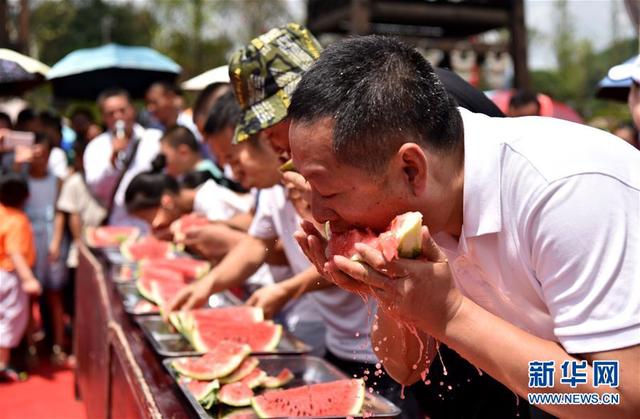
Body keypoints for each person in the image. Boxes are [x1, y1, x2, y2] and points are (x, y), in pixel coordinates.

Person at [288, 35, 640, 418]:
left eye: (328, 190)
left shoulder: (565, 192)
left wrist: (451, 315)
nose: (318, 213)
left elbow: (619, 396)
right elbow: (403, 370)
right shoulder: (425, 203)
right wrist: (387, 291)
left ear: (411, 169)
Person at [167, 24, 418, 414]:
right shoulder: (279, 182)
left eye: (276, 123)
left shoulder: (360, 166)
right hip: (346, 344)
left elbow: (361, 257)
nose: (273, 141)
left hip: (394, 352)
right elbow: (257, 244)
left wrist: (288, 289)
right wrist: (209, 285)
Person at [83, 88, 161, 231]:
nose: (118, 117)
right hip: (118, 224)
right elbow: (96, 190)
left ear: (133, 110)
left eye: (122, 110)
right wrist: (112, 161)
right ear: (103, 117)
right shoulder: (96, 147)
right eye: (110, 114)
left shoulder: (154, 140)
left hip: (152, 224)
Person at [22, 134, 69, 364]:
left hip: (50, 238)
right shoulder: (21, 180)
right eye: (35, 154)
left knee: (54, 294)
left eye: (43, 154)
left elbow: (60, 211)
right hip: (28, 239)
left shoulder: (57, 181)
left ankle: (58, 345)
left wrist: (56, 240)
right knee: (29, 297)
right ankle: (30, 347)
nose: (38, 159)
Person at [0, 174, 42, 382]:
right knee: (10, 318)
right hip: (9, 275)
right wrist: (28, 279)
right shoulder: (18, 220)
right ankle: (2, 365)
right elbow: (15, 252)